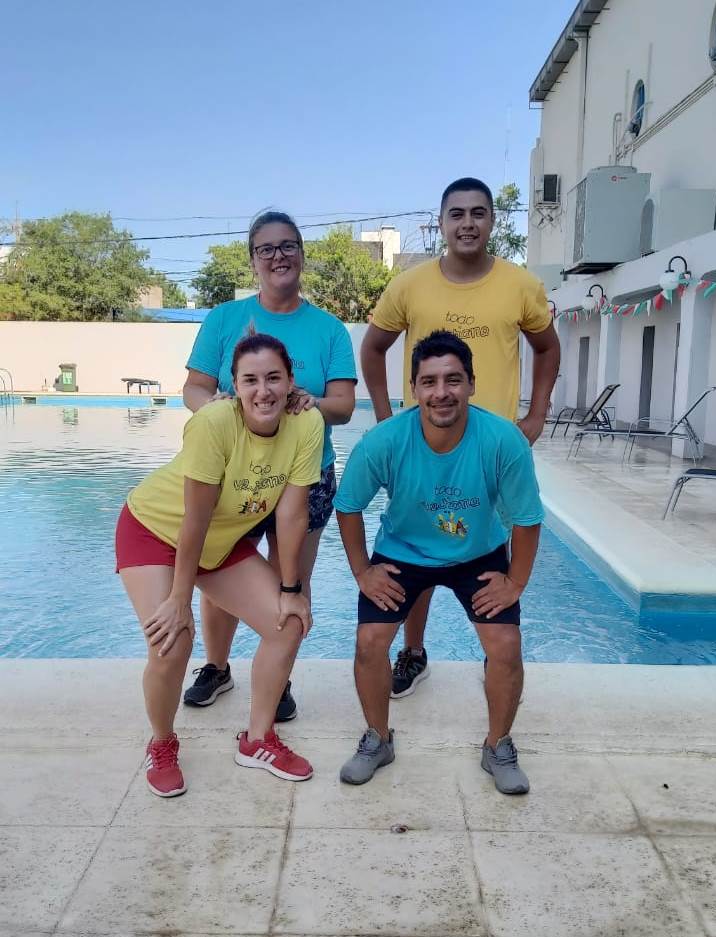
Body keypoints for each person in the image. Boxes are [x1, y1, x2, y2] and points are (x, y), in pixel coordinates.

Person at [361, 177, 559, 698]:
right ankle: (413, 651)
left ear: (493, 220)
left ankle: (496, 653)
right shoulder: (410, 285)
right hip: (425, 445)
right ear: (442, 222)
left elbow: (547, 346)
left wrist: (537, 414)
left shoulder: (520, 285)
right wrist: (385, 420)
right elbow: (374, 347)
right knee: (419, 542)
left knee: (493, 545)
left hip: (493, 451)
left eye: (478, 213)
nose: (467, 223)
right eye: (457, 214)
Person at [116, 332, 324, 796]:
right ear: (234, 386)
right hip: (154, 530)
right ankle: (162, 743)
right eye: (250, 380)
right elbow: (195, 518)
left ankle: (258, 740)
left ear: (291, 381)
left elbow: (292, 514)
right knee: (172, 642)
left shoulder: (307, 424)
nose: (263, 390)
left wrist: (292, 590)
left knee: (288, 623)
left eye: (273, 378)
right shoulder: (213, 423)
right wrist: (179, 599)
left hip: (219, 542)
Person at [335, 331, 543, 793]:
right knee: (370, 641)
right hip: (403, 552)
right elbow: (347, 506)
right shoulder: (384, 441)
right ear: (414, 389)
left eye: (453, 379)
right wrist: (362, 571)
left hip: (478, 553)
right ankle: (377, 739)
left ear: (471, 383)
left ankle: (498, 745)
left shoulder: (503, 441)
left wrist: (515, 582)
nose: (441, 392)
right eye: (429, 382)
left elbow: (528, 519)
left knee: (505, 646)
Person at [182, 210, 356, 718]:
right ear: (253, 259)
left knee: (290, 577)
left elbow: (344, 406)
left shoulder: (329, 329)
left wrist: (306, 403)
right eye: (266, 248)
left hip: (304, 473)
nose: (278, 256)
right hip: (235, 473)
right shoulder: (223, 319)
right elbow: (193, 388)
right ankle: (217, 667)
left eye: (288, 246)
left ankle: (278, 679)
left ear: (301, 253)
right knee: (219, 569)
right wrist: (218, 410)